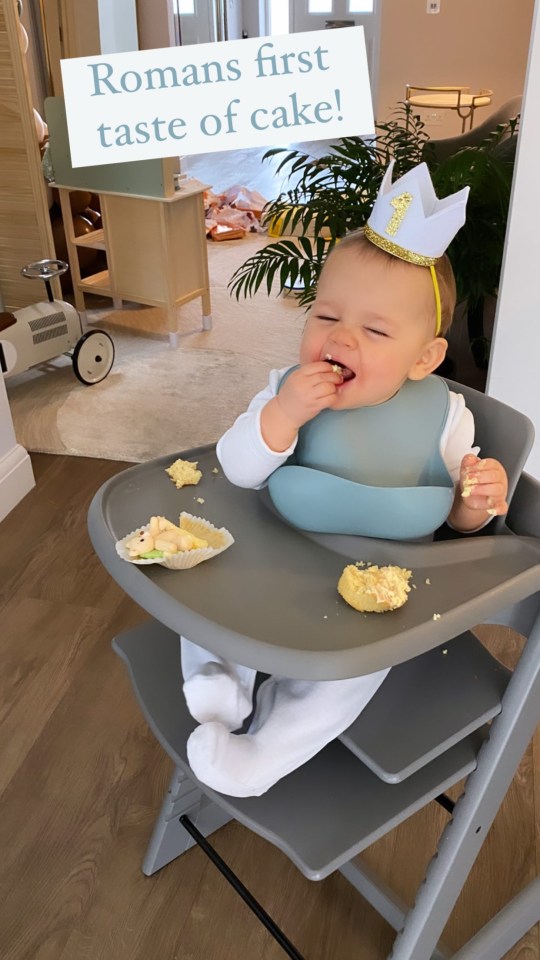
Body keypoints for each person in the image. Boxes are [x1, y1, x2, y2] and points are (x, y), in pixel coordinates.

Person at [182, 160, 509, 797]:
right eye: (326, 317)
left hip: (375, 589)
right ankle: (216, 687)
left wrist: (476, 501)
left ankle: (260, 756)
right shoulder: (285, 392)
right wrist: (282, 415)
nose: (342, 339)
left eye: (376, 330)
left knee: (348, 677)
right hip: (276, 548)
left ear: (424, 358)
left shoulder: (446, 415)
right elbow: (239, 470)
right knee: (209, 588)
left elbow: (452, 519)